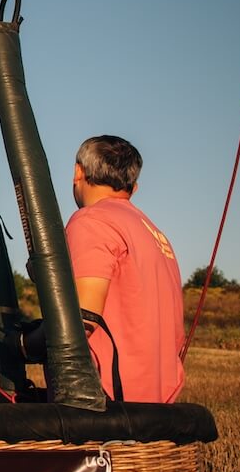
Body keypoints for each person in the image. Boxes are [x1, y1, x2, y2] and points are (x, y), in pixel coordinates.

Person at [65, 135, 184, 403]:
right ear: (134, 187)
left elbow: (82, 320)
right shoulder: (153, 232)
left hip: (111, 403)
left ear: (78, 172)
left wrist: (27, 344)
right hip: (158, 402)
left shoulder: (91, 221)